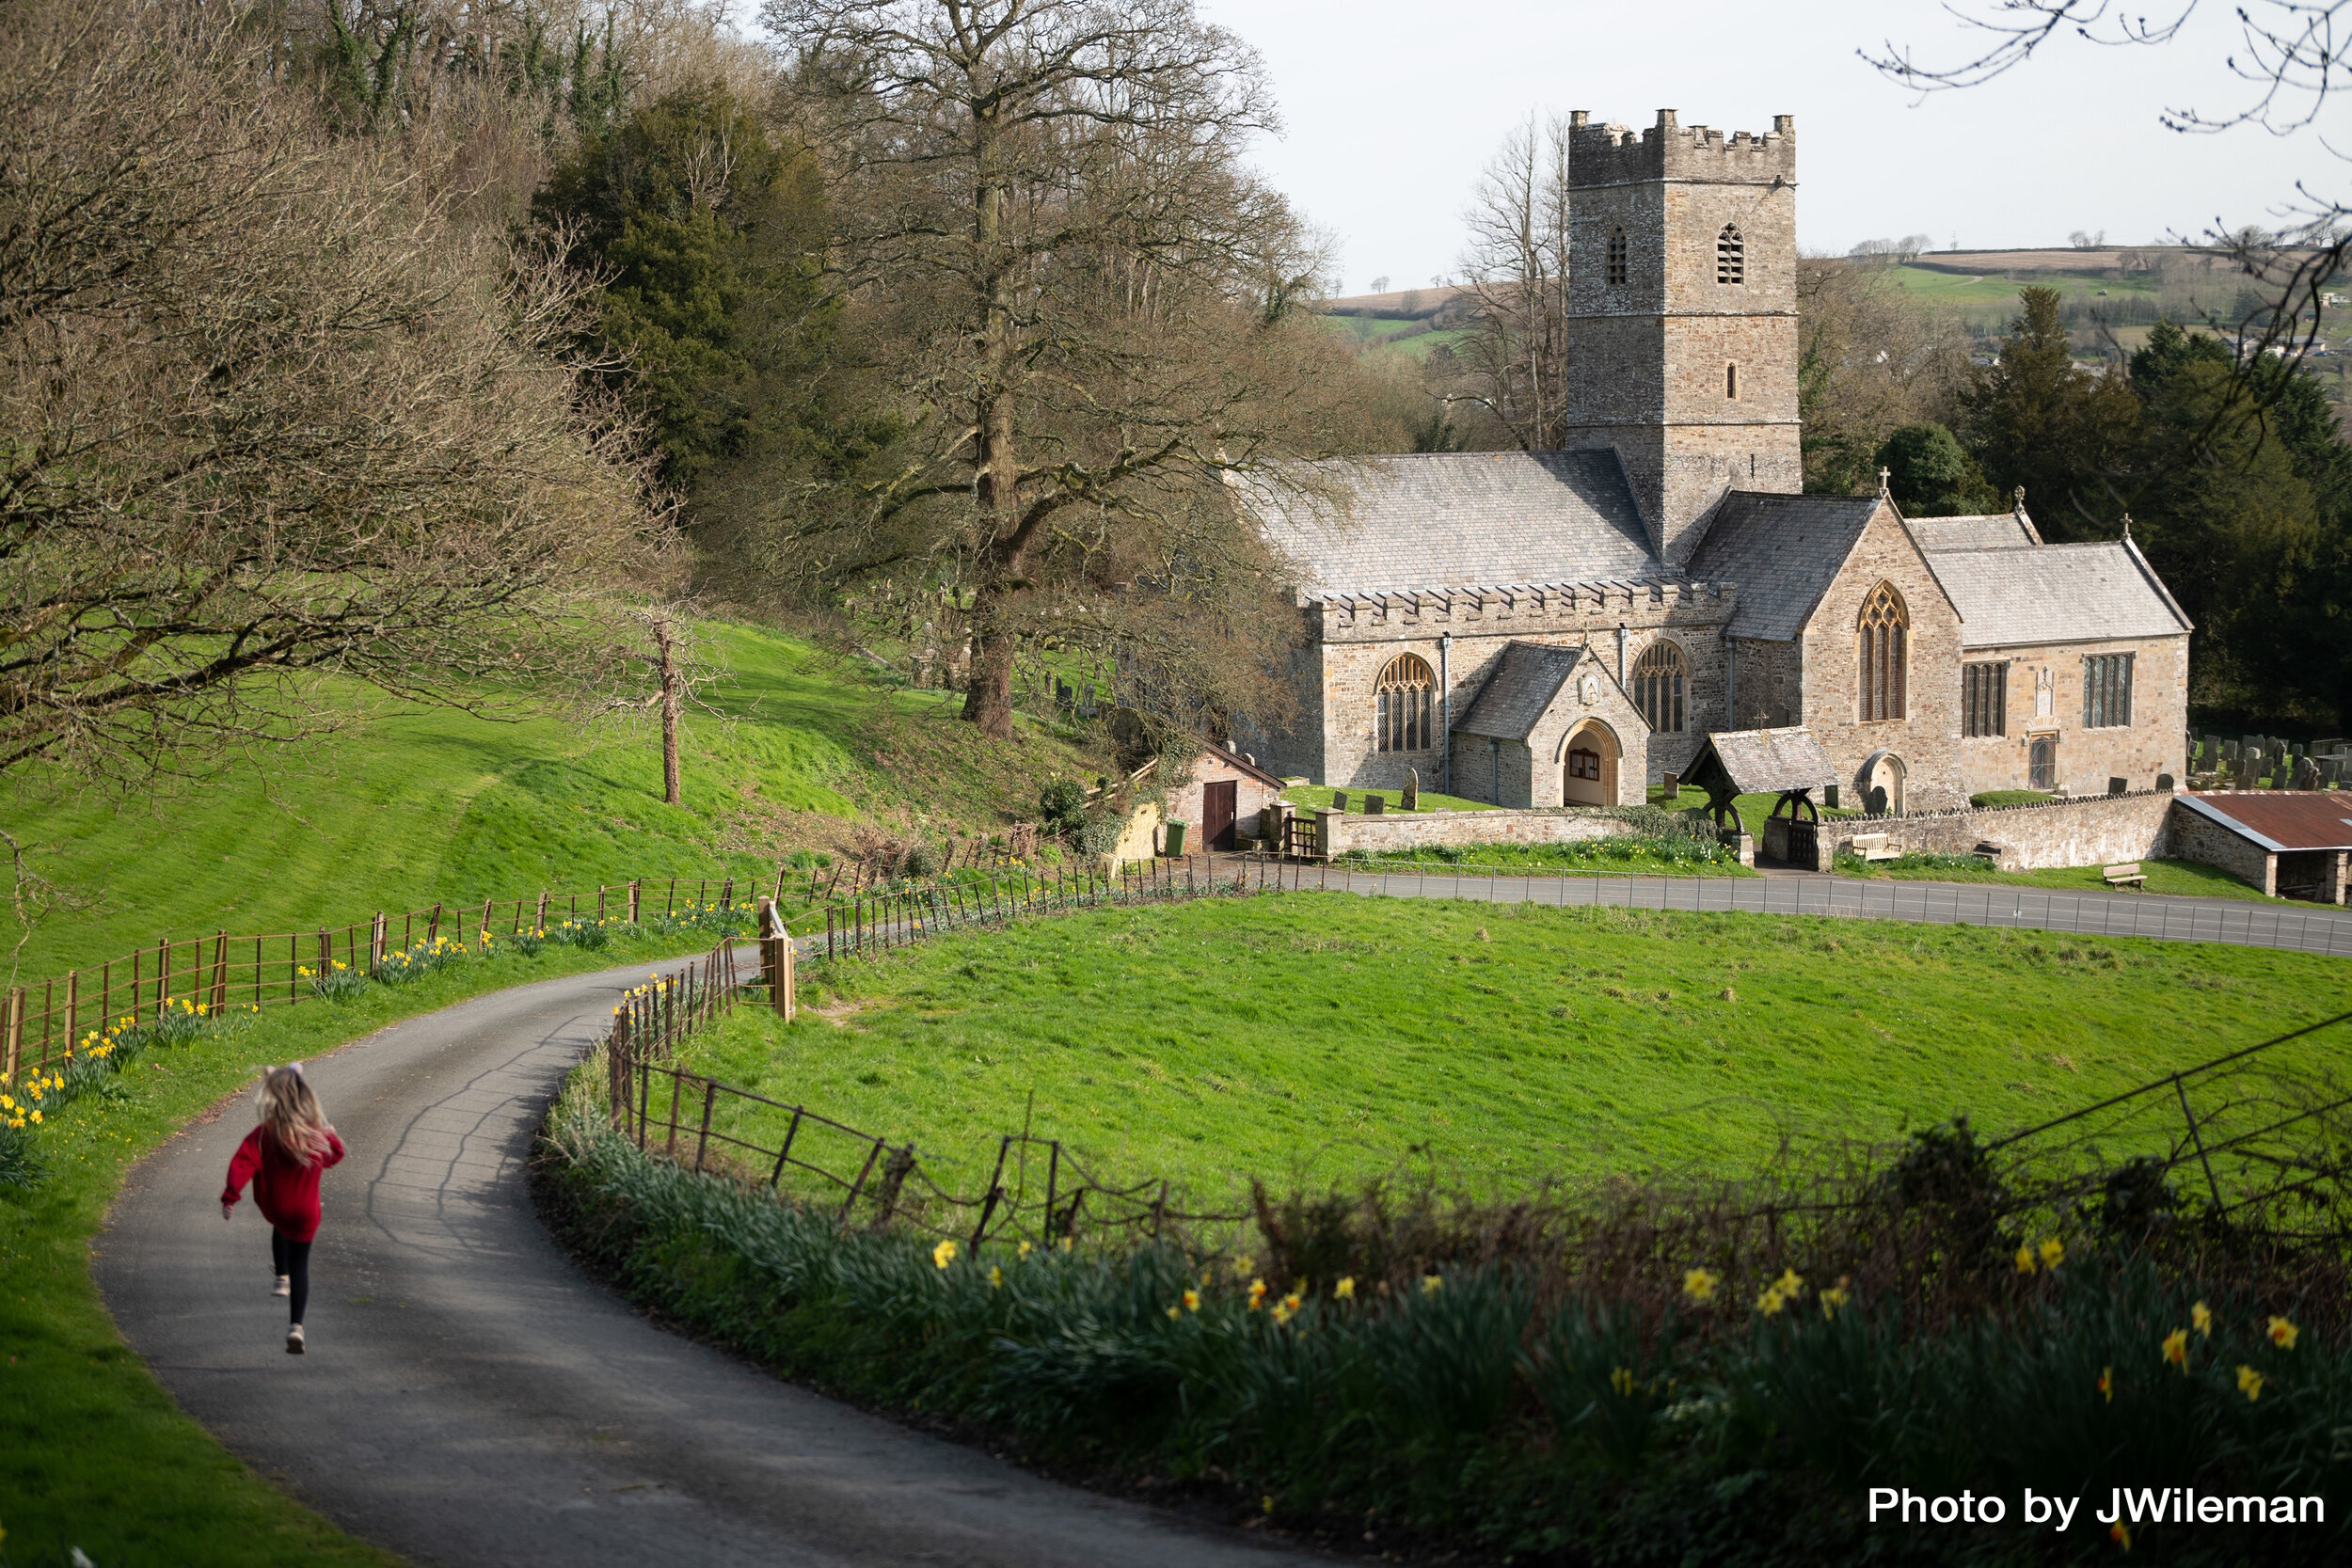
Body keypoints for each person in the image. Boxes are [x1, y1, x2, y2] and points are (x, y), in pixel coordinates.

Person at [221, 1063, 345, 1354]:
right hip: (306, 1213)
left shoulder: (264, 1134)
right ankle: (296, 1327)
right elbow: (334, 1156)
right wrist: (331, 1134)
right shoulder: (314, 1133)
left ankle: (281, 1276)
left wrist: (230, 1197)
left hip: (276, 1206)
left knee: (280, 1226)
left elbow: (242, 1163)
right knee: (301, 1264)